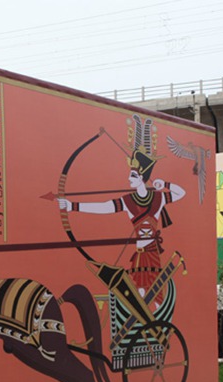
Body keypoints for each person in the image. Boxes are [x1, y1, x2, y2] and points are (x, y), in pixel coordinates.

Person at [58, 125, 185, 308]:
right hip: (139, 257)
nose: (128, 179)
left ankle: (156, 325)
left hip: (153, 255)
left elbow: (182, 193)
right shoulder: (129, 201)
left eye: (132, 175)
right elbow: (104, 207)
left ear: (142, 177)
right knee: (139, 295)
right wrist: (73, 206)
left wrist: (164, 183)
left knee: (155, 296)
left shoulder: (158, 198)